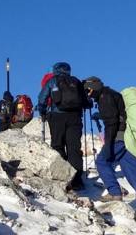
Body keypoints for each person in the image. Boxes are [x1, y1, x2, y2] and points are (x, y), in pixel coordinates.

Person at [83, 76, 136, 218]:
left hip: (118, 138)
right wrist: (100, 115)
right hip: (127, 137)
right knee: (131, 169)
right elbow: (117, 114)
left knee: (102, 162)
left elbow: (112, 123)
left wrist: (109, 145)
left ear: (94, 87)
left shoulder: (104, 97)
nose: (88, 95)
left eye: (88, 91)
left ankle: (115, 193)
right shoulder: (112, 94)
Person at [38, 62, 91, 191]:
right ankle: (77, 181)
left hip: (56, 117)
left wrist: (42, 112)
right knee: (74, 148)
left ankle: (62, 177)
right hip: (74, 118)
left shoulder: (52, 81)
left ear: (55, 70)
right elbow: (85, 101)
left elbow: (42, 98)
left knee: (57, 145)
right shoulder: (76, 81)